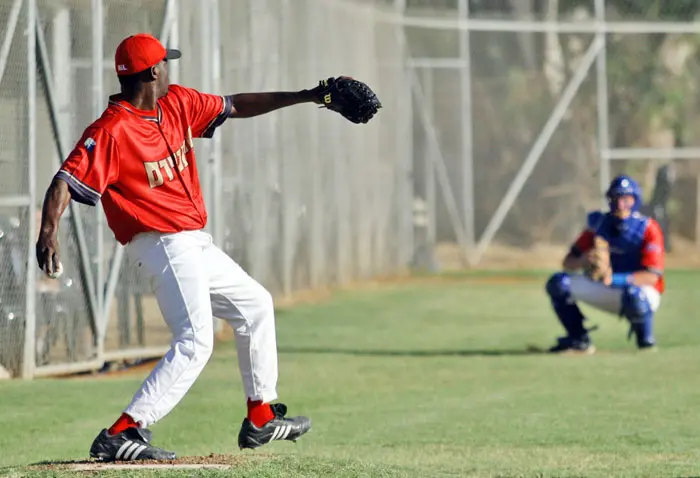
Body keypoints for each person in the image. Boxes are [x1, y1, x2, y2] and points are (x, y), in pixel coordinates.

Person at [34, 33, 349, 461]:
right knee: (196, 340)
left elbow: (236, 105)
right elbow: (66, 180)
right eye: (165, 63)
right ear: (152, 72)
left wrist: (307, 95)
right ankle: (123, 431)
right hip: (159, 244)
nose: (170, 68)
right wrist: (48, 231)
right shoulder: (111, 130)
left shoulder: (177, 103)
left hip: (193, 242)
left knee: (255, 304)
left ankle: (260, 416)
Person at [545, 174, 665, 354]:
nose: (620, 205)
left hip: (641, 292)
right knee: (558, 283)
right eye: (615, 198)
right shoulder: (598, 225)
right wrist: (583, 260)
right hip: (605, 288)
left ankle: (645, 342)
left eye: (626, 199)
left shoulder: (647, 228)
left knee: (635, 296)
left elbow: (651, 276)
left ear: (635, 200)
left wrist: (614, 279)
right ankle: (579, 340)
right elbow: (568, 262)